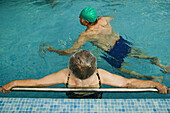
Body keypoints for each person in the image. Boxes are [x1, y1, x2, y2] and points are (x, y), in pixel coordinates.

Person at [39, 7, 170, 82]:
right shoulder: (104, 20)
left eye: (80, 18)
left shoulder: (86, 35)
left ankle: (152, 77)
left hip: (110, 51)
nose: (79, 19)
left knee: (121, 69)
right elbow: (112, 16)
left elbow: (70, 52)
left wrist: (53, 50)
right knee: (142, 55)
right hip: (121, 42)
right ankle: (162, 65)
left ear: (85, 21)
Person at [1, 50, 170, 99]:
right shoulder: (100, 75)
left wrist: (13, 83)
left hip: (72, 96)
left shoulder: (65, 75)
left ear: (71, 68)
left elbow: (37, 83)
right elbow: (128, 83)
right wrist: (155, 84)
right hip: (95, 96)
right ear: (95, 68)